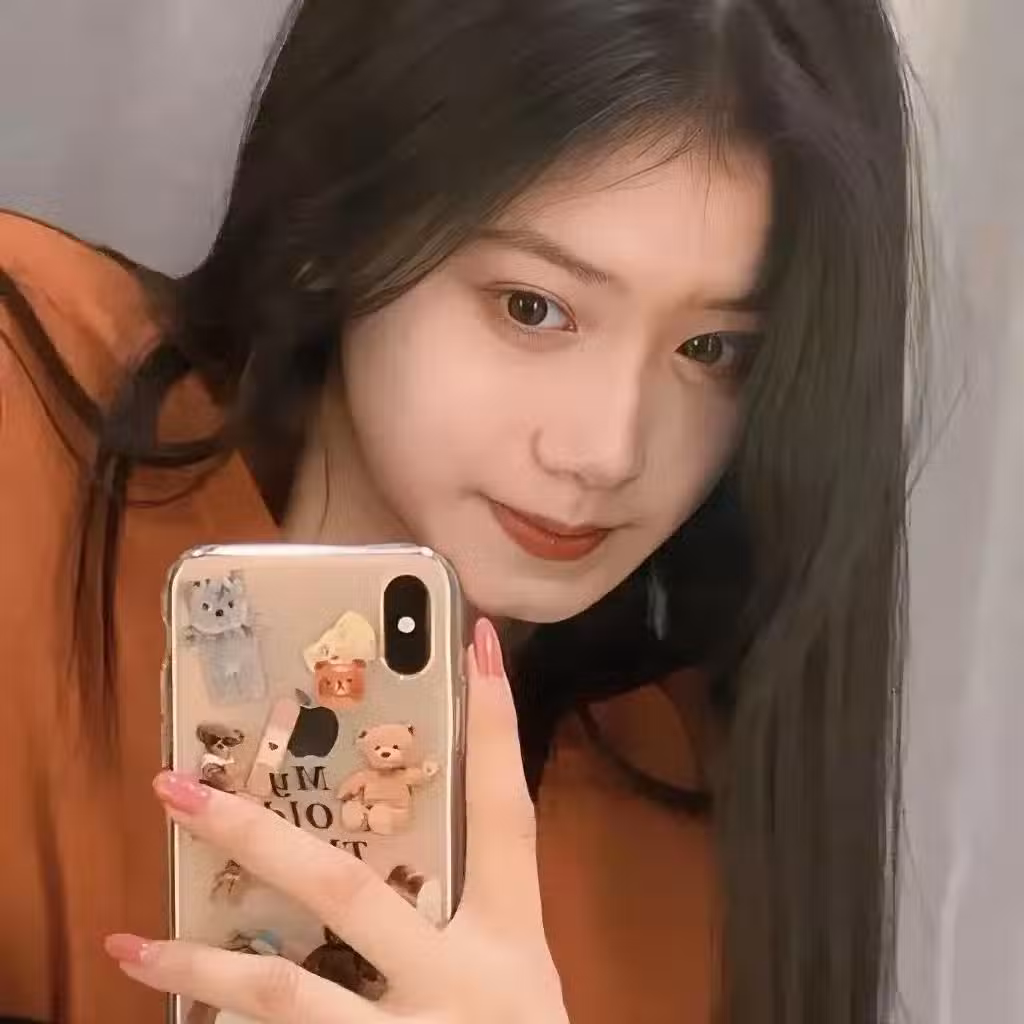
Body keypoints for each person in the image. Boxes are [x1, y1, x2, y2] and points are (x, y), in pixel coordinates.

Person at [0, 0, 921, 1021]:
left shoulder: (687, 834)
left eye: (712, 350)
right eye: (533, 307)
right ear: (333, 222)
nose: (606, 451)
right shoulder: (24, 412)